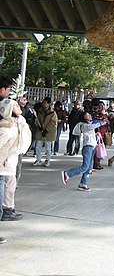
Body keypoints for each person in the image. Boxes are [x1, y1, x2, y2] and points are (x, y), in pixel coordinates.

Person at [0, 99, 31, 236]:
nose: (19, 107)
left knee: (11, 185)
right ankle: (6, 209)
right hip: (4, 162)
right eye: (16, 106)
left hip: (10, 160)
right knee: (6, 187)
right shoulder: (6, 127)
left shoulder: (17, 122)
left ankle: (8, 208)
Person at [61, 111, 102, 192]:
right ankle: (67, 174)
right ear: (83, 117)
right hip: (87, 148)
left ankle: (83, 184)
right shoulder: (83, 125)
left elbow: (89, 133)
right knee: (85, 167)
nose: (89, 116)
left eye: (89, 114)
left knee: (89, 168)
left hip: (92, 147)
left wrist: (95, 134)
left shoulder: (89, 125)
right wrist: (101, 123)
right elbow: (90, 127)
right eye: (87, 115)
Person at [33, 97, 58, 167]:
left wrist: (47, 130)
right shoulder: (39, 111)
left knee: (48, 148)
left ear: (49, 104)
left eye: (45, 103)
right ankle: (38, 159)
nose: (43, 104)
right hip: (40, 131)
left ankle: (47, 160)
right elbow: (37, 120)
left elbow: (53, 123)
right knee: (38, 146)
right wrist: (38, 126)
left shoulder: (53, 113)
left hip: (48, 133)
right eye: (43, 102)